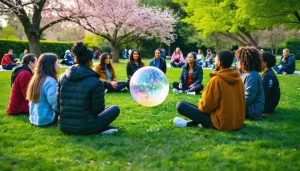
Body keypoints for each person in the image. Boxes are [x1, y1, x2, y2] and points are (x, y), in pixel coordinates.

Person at [173, 51, 245, 130]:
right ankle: (190, 123)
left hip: (221, 123)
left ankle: (191, 123)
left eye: (215, 60)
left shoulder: (217, 79)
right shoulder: (238, 79)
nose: (214, 62)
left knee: (181, 105)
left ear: (219, 63)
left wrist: (202, 101)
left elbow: (205, 108)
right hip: (237, 122)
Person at [58, 41, 120, 134]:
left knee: (108, 109)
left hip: (64, 125)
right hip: (86, 126)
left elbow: (58, 103)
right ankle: (99, 129)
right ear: (90, 61)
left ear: (75, 58)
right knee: (114, 108)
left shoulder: (62, 77)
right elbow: (97, 110)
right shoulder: (95, 81)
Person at [26, 53, 60, 126]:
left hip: (34, 117)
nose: (59, 66)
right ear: (50, 65)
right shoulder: (50, 82)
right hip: (47, 118)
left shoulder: (35, 78)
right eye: (57, 63)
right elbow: (55, 104)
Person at [236, 47, 264, 120]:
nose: (237, 62)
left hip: (252, 110)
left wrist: (232, 104)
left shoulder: (252, 75)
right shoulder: (246, 74)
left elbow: (247, 98)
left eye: (238, 60)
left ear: (245, 61)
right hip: (247, 107)